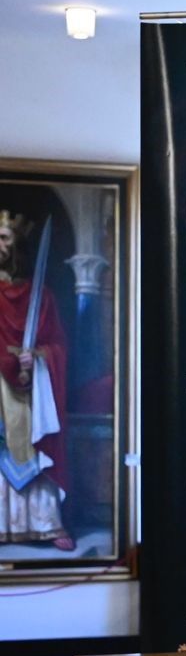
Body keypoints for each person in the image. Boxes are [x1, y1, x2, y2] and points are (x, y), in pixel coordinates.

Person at [0, 211, 72, 552]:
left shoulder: (41, 297)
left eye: (4, 238)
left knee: (34, 445)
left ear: (18, 245)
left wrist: (40, 356)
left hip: (33, 391)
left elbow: (59, 344)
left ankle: (45, 523)